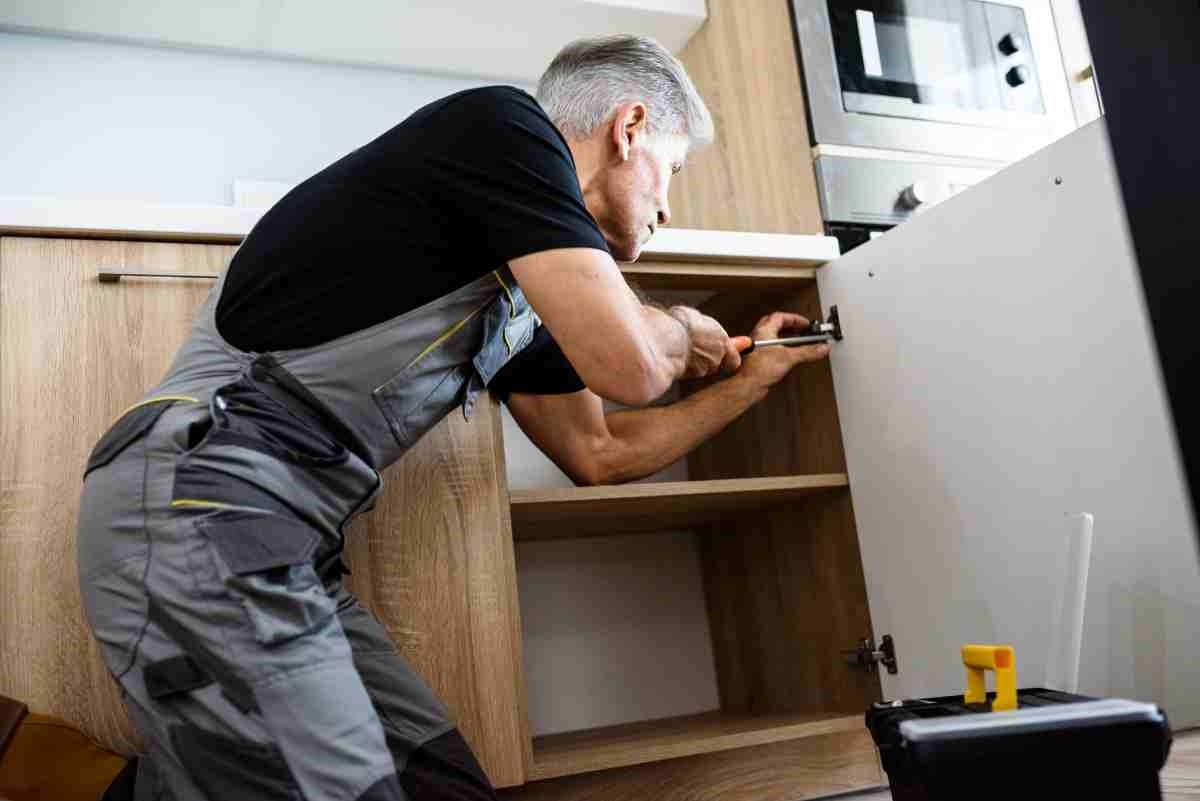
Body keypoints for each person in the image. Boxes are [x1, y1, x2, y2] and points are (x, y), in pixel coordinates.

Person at [75, 34, 830, 801]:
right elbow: (632, 364)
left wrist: (752, 382)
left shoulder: (527, 287)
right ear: (628, 127)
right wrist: (681, 326)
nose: (669, 205)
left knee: (441, 783)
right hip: (196, 498)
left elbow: (600, 450)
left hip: (283, 540)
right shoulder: (504, 129)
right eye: (673, 171)